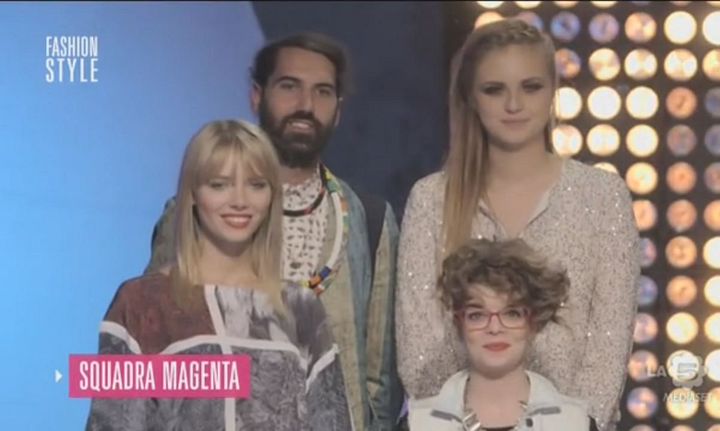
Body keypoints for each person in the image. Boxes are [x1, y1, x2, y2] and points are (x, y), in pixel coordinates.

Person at [145, 33, 402, 431]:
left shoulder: (369, 220)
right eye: (289, 86)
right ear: (256, 95)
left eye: (322, 92)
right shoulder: (193, 213)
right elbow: (153, 353)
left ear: (338, 110)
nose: (305, 105)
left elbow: (379, 384)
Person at [396, 18, 640, 431]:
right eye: (494, 89)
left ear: (552, 91)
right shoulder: (432, 199)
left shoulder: (602, 197)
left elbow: (608, 348)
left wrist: (571, 425)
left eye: (531, 87)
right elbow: (420, 347)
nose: (514, 105)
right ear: (470, 98)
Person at [87, 120, 351, 430]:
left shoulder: (300, 308)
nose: (239, 201)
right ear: (192, 193)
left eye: (256, 184)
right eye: (219, 184)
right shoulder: (141, 304)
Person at [409, 239, 597, 431]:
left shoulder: (575, 424)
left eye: (512, 313)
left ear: (534, 322)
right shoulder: (419, 425)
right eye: (477, 315)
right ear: (459, 323)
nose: (494, 328)